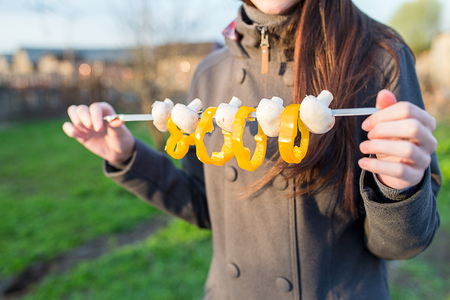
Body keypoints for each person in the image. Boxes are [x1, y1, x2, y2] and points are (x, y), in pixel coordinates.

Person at [63, 0, 441, 299]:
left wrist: (400, 189)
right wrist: (127, 155)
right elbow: (205, 205)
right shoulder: (209, 74)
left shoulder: (380, 57)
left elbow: (402, 244)